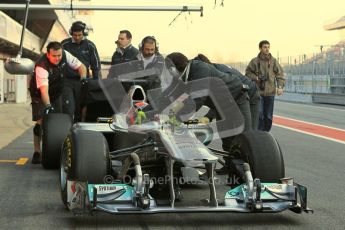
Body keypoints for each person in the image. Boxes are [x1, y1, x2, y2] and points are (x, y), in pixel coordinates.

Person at [166, 52, 252, 150]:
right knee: (227, 141)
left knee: (245, 139)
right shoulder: (184, 76)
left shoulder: (200, 70)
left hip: (238, 99)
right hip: (221, 106)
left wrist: (176, 118)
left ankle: (249, 163)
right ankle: (231, 165)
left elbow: (197, 100)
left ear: (172, 69)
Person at [29, 41, 87, 164]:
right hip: (39, 94)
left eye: (59, 56)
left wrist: (83, 80)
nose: (57, 58)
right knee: (40, 122)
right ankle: (37, 151)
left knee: (58, 121)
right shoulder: (41, 66)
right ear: (48, 54)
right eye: (54, 56)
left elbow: (82, 67)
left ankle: (58, 149)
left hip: (56, 92)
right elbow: (44, 91)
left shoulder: (65, 54)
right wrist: (48, 106)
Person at [194, 54, 260, 130]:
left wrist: (209, 116)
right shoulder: (212, 70)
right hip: (236, 96)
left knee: (249, 133)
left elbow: (223, 96)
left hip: (251, 94)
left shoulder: (219, 75)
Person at [61, 21, 101, 122]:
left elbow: (95, 66)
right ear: (71, 33)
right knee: (69, 107)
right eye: (75, 35)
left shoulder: (90, 45)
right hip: (67, 81)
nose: (77, 37)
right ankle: (67, 129)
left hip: (82, 82)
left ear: (83, 33)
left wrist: (97, 83)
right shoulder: (64, 44)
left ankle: (77, 129)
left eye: (79, 35)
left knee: (79, 107)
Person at [245, 40, 285, 131]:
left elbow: (280, 74)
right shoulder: (254, 61)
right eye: (265, 47)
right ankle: (260, 134)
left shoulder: (273, 61)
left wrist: (280, 87)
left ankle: (266, 133)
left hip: (270, 92)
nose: (267, 49)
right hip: (258, 92)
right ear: (260, 48)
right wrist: (256, 78)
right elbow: (247, 73)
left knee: (268, 116)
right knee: (259, 114)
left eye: (268, 47)